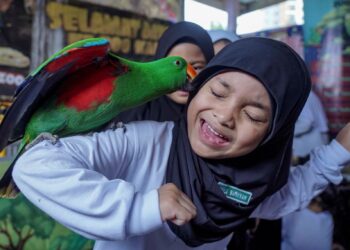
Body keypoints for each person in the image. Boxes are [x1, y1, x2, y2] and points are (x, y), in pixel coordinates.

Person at [12, 37, 350, 250]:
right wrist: (143, 206)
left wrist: (339, 150)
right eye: (218, 92)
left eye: (253, 114)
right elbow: (34, 165)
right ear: (197, 90)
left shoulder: (248, 181)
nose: (225, 115)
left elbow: (281, 198)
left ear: (272, 135)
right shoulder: (146, 140)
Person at [115, 21, 214, 123]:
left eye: (196, 67)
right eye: (176, 65)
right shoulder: (133, 113)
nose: (184, 77)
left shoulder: (217, 118)